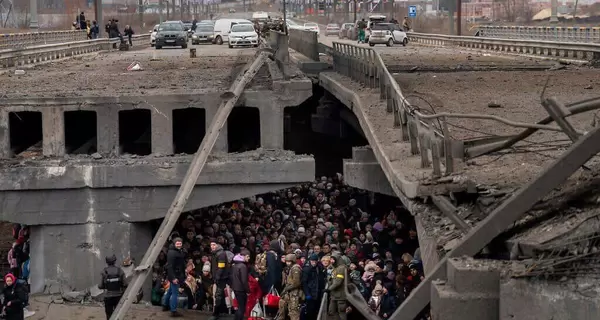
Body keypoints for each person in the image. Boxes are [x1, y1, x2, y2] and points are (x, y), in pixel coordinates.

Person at [98, 254, 126, 319]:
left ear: (107, 262)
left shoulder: (104, 271)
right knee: (118, 314)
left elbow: (100, 286)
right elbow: (125, 284)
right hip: (118, 296)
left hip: (108, 297)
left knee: (109, 315)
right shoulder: (120, 271)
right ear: (115, 261)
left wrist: (105, 285)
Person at [163, 237, 185, 317]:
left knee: (170, 291)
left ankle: (165, 305)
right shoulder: (172, 253)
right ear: (174, 244)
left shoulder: (178, 251)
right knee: (175, 293)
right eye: (177, 243)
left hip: (177, 274)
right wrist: (173, 278)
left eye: (180, 243)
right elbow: (170, 266)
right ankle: (173, 311)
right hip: (175, 275)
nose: (179, 245)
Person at [209, 239, 230, 320]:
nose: (212, 246)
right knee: (220, 295)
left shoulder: (220, 254)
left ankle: (216, 313)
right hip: (218, 277)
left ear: (217, 245)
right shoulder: (214, 253)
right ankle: (222, 311)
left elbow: (221, 267)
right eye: (211, 245)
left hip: (221, 277)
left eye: (214, 245)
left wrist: (217, 277)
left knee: (218, 295)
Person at [279, 254, 303, 320]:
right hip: (289, 292)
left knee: (293, 311)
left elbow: (296, 283)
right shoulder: (290, 268)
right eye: (286, 261)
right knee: (282, 306)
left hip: (294, 293)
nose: (287, 263)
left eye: (289, 261)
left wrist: (286, 289)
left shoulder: (295, 268)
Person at [302, 254, 323, 320]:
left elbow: (320, 280)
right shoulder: (306, 269)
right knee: (309, 311)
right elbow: (304, 282)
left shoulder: (319, 268)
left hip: (317, 292)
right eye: (312, 261)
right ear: (310, 261)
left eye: (315, 261)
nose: (314, 262)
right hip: (310, 292)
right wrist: (307, 294)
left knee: (316, 310)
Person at [326, 253, 347, 320]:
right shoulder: (335, 269)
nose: (331, 261)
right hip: (334, 295)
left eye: (333, 259)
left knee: (341, 312)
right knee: (331, 311)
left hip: (340, 295)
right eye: (331, 259)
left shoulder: (341, 268)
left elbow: (338, 282)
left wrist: (329, 289)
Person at [231, 250, 250, 320]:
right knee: (241, 308)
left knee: (239, 307)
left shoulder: (235, 265)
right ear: (243, 256)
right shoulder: (243, 266)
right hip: (241, 289)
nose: (249, 258)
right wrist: (248, 290)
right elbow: (244, 280)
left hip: (235, 288)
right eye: (248, 256)